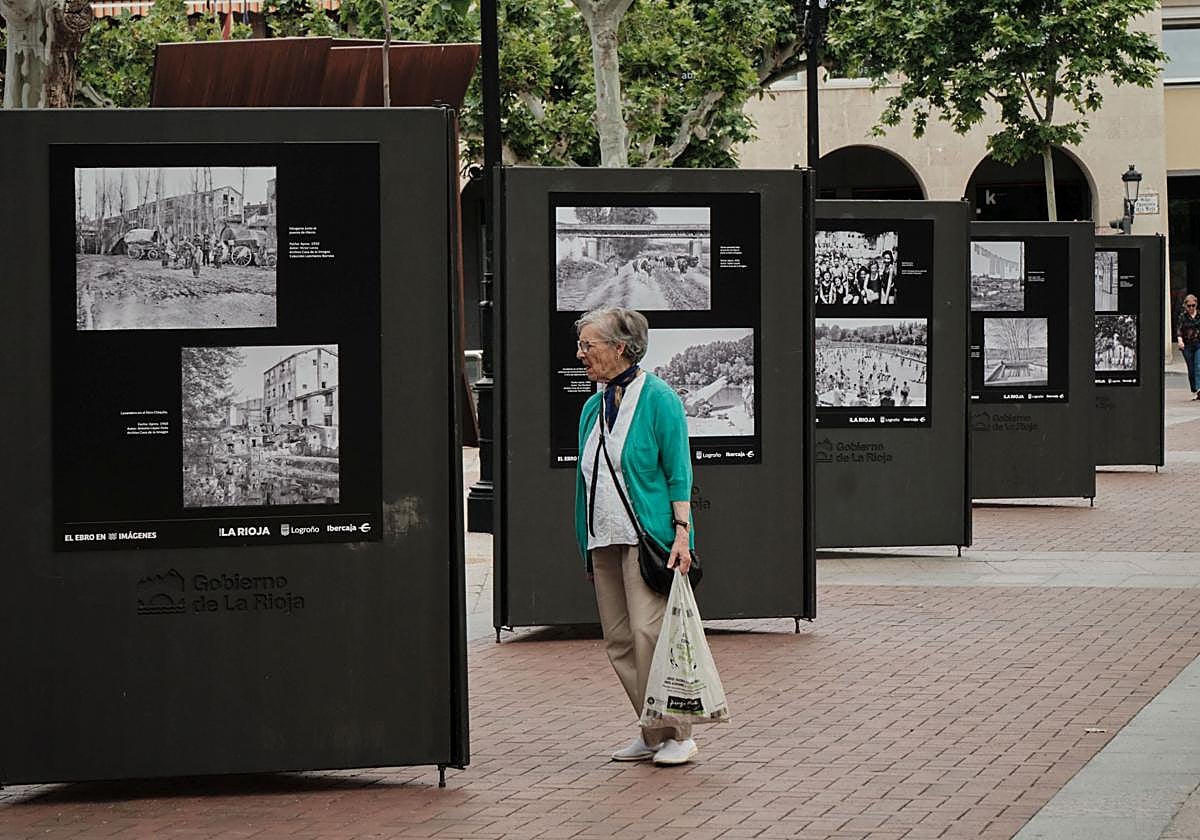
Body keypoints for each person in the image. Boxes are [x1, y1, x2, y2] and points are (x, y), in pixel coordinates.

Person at [573, 306, 698, 767]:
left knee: (650, 635)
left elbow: (678, 472)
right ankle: (650, 730)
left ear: (620, 348)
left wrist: (682, 535)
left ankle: (677, 733)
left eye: (589, 345)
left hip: (646, 538)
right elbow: (586, 480)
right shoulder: (592, 406)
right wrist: (584, 546)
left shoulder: (659, 398)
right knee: (620, 641)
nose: (581, 354)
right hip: (602, 536)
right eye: (582, 345)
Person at [1178, 294, 1200, 399]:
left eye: (1193, 305)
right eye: (1189, 306)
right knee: (1191, 369)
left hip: (1198, 344)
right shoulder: (1183, 316)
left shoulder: (1199, 315)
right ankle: (1195, 389)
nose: (1191, 308)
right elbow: (1179, 330)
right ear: (1185, 306)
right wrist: (1180, 341)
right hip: (1187, 345)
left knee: (1198, 365)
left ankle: (1199, 388)